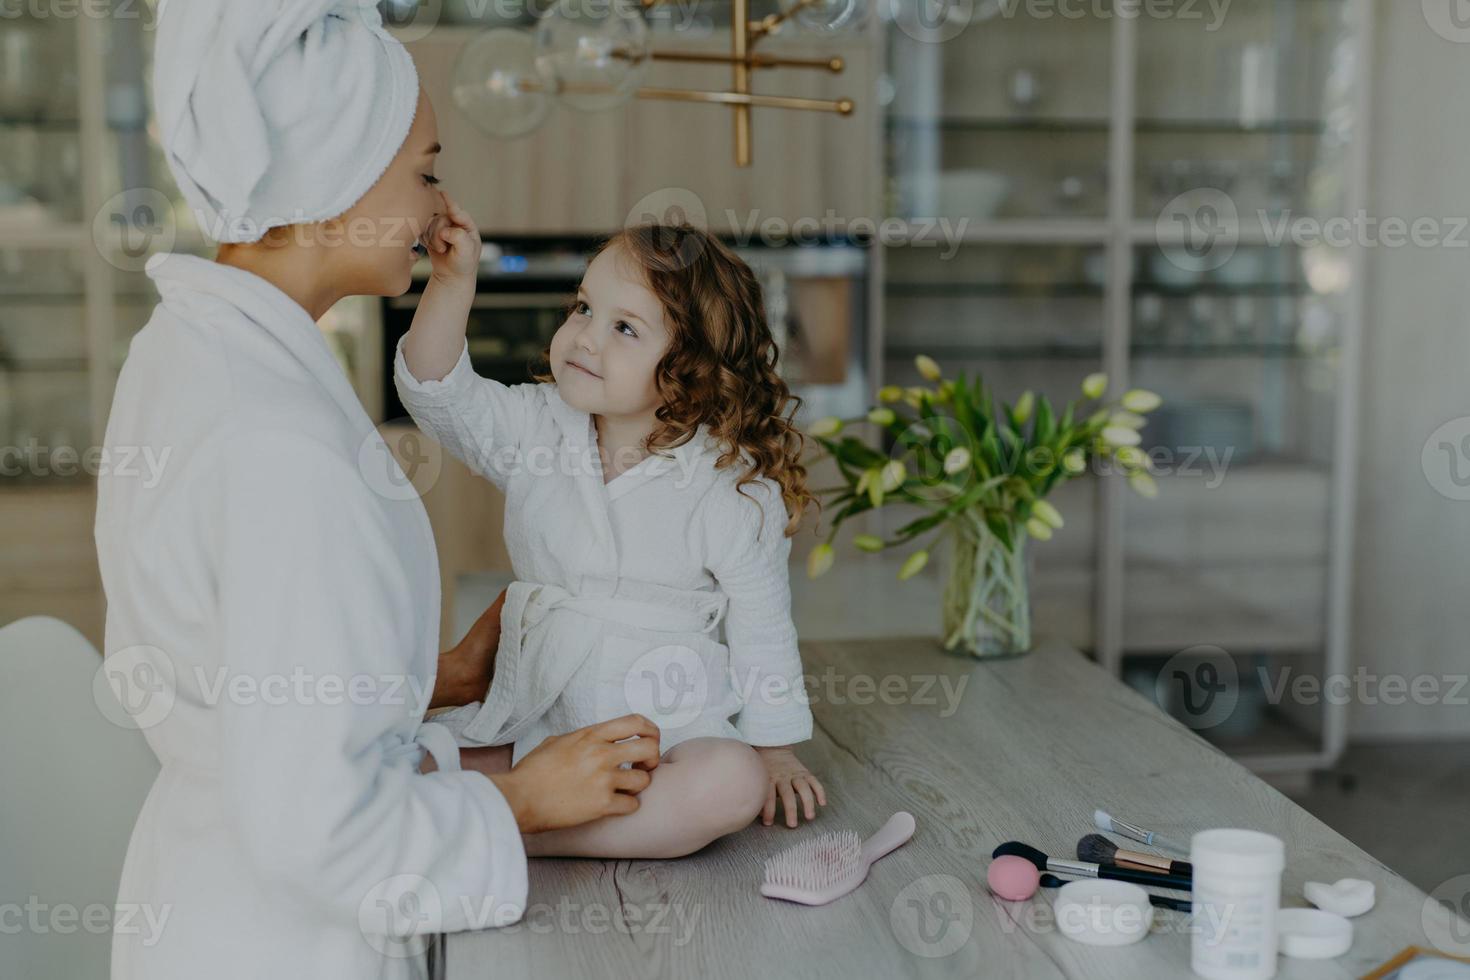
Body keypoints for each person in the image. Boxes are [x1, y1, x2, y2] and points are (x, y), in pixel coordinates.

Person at [96, 3, 657, 977]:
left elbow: (222, 663)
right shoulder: (286, 448)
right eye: (426, 170)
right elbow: (323, 831)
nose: (442, 210)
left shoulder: (184, 348)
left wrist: (427, 678)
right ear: (332, 176)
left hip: (197, 897)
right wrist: (523, 797)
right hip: (285, 941)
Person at [396, 215, 828, 858]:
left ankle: (519, 832)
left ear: (694, 369)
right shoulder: (538, 427)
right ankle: (524, 807)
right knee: (402, 767)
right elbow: (439, 393)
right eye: (583, 308)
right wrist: (453, 281)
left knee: (732, 783)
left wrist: (776, 750)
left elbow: (763, 627)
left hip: (666, 731)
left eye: (624, 327)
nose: (585, 338)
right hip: (539, 713)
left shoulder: (732, 485)